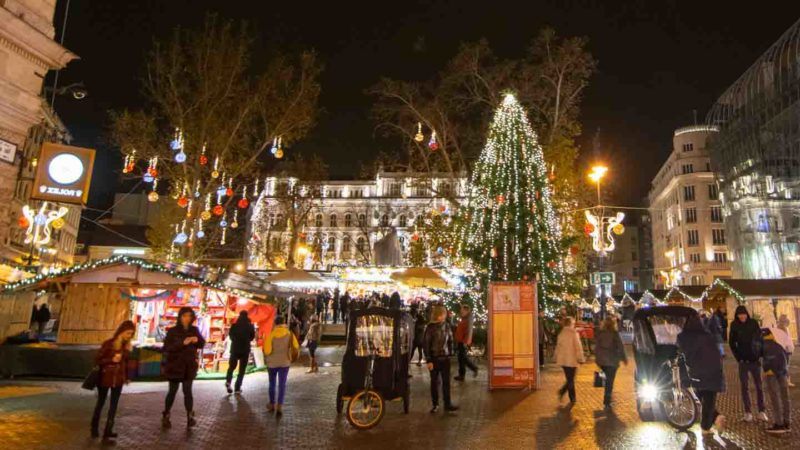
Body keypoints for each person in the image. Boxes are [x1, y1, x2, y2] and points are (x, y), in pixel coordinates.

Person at [678, 315, 726, 435]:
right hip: (713, 370)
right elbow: (716, 353)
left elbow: (680, 353)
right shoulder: (708, 336)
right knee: (709, 398)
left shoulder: (683, 337)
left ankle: (706, 426)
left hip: (696, 371)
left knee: (700, 396)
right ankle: (715, 418)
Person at [162, 307, 206, 428]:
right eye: (185, 316)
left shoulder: (194, 330)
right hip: (175, 366)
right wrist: (183, 343)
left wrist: (197, 340)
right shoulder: (173, 331)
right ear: (180, 317)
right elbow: (167, 348)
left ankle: (190, 416)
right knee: (172, 391)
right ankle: (166, 414)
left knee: (188, 391)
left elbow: (202, 343)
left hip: (189, 366)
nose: (187, 318)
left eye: (190, 316)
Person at [91, 320, 135, 440]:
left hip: (119, 378)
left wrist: (128, 376)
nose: (129, 336)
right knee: (101, 402)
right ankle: (94, 428)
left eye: (131, 334)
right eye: (127, 333)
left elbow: (127, 363)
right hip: (105, 376)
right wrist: (111, 359)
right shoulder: (109, 344)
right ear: (121, 332)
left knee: (114, 405)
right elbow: (98, 360)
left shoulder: (127, 346)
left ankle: (108, 430)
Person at [728, 305, 768, 422]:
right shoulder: (734, 325)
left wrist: (760, 354)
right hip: (743, 362)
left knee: (759, 386)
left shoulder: (753, 323)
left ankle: (762, 411)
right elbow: (731, 342)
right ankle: (748, 412)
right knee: (744, 387)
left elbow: (760, 339)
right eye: (740, 314)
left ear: (747, 314)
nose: (742, 316)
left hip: (755, 360)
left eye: (743, 314)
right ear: (737, 315)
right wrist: (738, 357)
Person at [423, 306, 458, 413]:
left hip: (445, 357)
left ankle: (447, 403)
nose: (444, 316)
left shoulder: (446, 326)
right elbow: (426, 344)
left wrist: (451, 352)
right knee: (434, 382)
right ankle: (435, 404)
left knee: (446, 382)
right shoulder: (430, 327)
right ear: (438, 315)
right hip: (434, 358)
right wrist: (428, 360)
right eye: (443, 314)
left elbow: (451, 340)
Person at [264, 316, 299, 416]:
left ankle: (272, 403)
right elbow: (296, 347)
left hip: (272, 363)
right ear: (284, 323)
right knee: (282, 384)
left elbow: (267, 350)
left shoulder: (271, 334)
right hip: (285, 363)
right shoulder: (289, 334)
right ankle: (279, 406)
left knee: (272, 383)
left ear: (275, 323)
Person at [762, 328, 791, 433]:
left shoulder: (764, 345)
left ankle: (778, 424)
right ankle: (787, 422)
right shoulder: (778, 344)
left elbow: (759, 355)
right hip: (782, 372)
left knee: (775, 398)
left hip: (771, 373)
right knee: (785, 396)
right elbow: (787, 355)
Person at [594, 317, 627, 408]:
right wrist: (624, 358)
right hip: (612, 361)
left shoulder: (600, 334)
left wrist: (597, 359)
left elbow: (596, 348)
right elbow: (620, 347)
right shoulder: (615, 334)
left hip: (602, 361)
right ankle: (607, 400)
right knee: (610, 381)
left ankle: (608, 398)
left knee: (607, 379)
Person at [555, 317, 585, 404]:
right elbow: (578, 347)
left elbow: (558, 347)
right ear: (571, 323)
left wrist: (556, 357)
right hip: (572, 360)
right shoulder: (573, 333)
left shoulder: (561, 334)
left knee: (570, 379)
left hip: (564, 360)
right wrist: (581, 358)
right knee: (571, 379)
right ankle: (571, 397)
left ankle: (566, 394)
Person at [225, 310, 255, 394]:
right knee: (242, 370)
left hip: (234, 349)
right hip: (245, 350)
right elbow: (252, 337)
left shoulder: (234, 326)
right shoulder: (250, 326)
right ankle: (237, 387)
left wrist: (236, 340)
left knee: (231, 367)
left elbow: (230, 336)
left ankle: (228, 381)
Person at [454, 304, 478, 381]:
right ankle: (462, 375)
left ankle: (473, 368)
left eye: (463, 310)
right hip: (460, 340)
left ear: (467, 311)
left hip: (463, 341)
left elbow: (468, 332)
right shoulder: (464, 318)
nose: (461, 311)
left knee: (463, 358)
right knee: (461, 359)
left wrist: (466, 341)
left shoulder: (468, 320)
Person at [775, 315, 795, 387]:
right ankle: (785, 381)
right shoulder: (781, 329)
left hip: (786, 350)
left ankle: (785, 381)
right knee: (785, 366)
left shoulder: (784, 328)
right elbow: (785, 341)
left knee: (785, 366)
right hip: (784, 351)